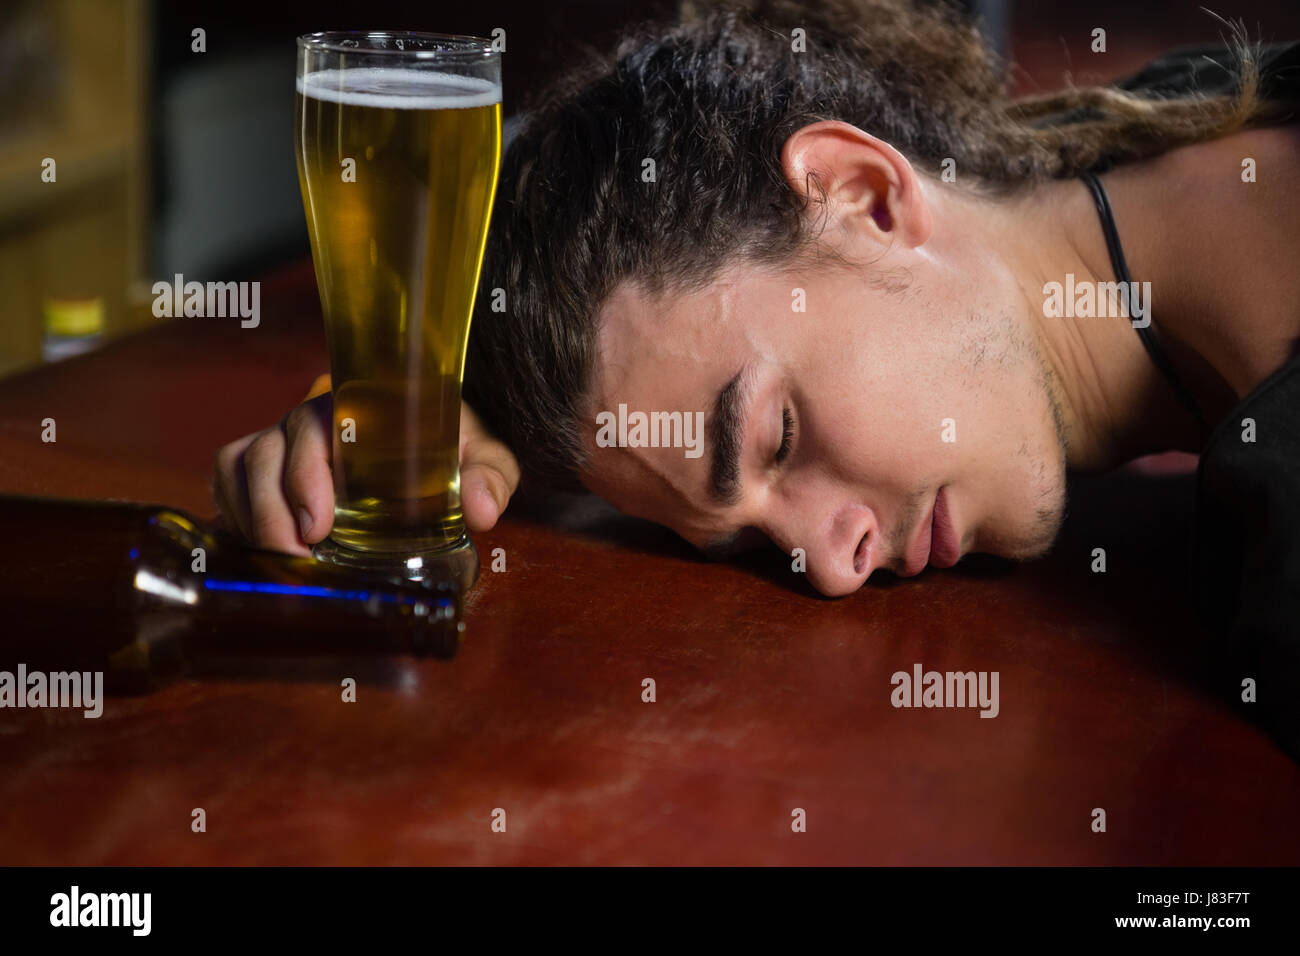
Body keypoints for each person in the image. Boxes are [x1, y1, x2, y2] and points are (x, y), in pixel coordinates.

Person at [213, 1, 1299, 757]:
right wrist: (444, 416)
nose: (831, 566)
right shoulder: (1179, 139)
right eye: (740, 539)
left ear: (864, 194)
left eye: (776, 438)